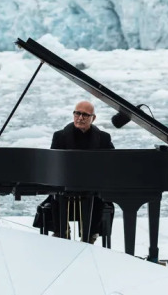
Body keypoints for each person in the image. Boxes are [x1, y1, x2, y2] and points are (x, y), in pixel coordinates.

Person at [33, 101, 114, 243]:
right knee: (55, 196)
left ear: (93, 118)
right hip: (65, 188)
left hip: (92, 188)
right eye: (77, 113)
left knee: (100, 198)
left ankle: (90, 235)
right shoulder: (59, 136)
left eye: (85, 115)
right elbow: (53, 164)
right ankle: (62, 233)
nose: (80, 118)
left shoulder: (103, 138)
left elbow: (112, 163)